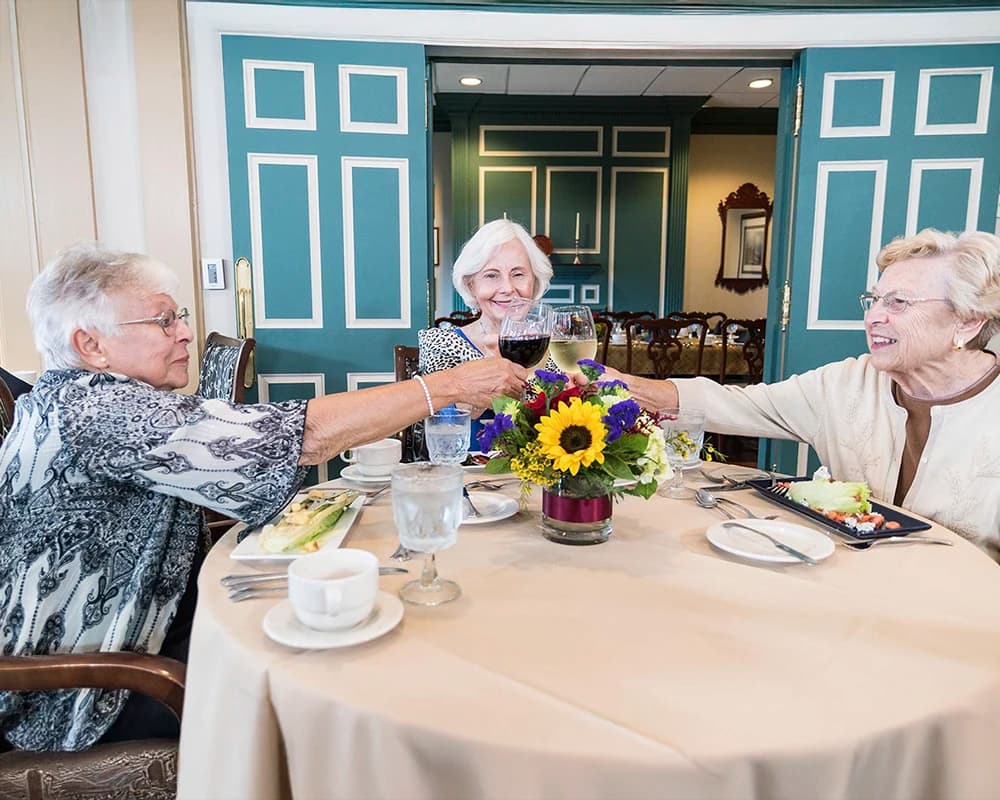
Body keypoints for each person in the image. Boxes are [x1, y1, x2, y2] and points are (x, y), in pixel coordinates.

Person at [0, 242, 527, 752]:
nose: (186, 332)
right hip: (83, 693)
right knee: (339, 683)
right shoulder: (96, 413)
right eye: (164, 321)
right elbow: (303, 437)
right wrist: (448, 387)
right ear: (90, 345)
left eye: (178, 316)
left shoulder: (75, 398)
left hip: (144, 631)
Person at [604, 228, 1000, 559]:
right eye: (874, 300)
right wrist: (624, 386)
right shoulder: (846, 384)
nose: (874, 316)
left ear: (966, 323)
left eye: (898, 303)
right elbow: (737, 405)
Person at [418, 218, 554, 374]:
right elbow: (441, 397)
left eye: (518, 274)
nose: (508, 288)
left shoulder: (557, 346)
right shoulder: (442, 345)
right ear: (471, 285)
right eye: (491, 276)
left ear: (534, 281)